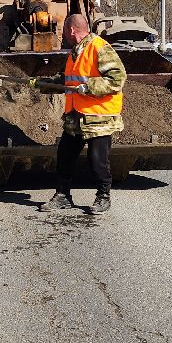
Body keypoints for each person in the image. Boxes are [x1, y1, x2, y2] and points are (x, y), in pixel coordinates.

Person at [33, 12, 125, 214]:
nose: (63, 34)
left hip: (98, 116)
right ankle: (63, 196)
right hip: (76, 115)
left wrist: (90, 86)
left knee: (97, 161)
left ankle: (103, 197)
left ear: (72, 30)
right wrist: (43, 84)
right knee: (64, 156)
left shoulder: (100, 48)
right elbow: (69, 81)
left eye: (65, 30)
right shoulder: (75, 52)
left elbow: (118, 79)